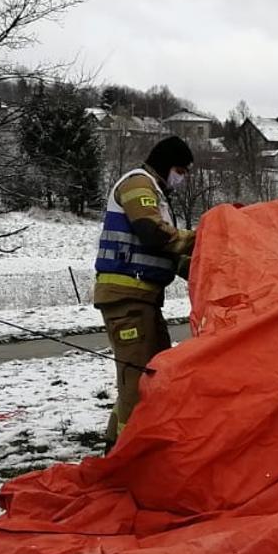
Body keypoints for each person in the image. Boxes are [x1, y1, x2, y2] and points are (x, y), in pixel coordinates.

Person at [94, 136, 198, 445]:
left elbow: (167, 254)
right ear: (167, 164)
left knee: (152, 378)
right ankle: (126, 456)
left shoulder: (156, 195)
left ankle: (116, 447)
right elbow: (153, 234)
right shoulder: (138, 184)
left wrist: (208, 268)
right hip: (127, 300)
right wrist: (204, 236)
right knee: (139, 384)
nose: (183, 178)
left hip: (143, 301)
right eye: (181, 171)